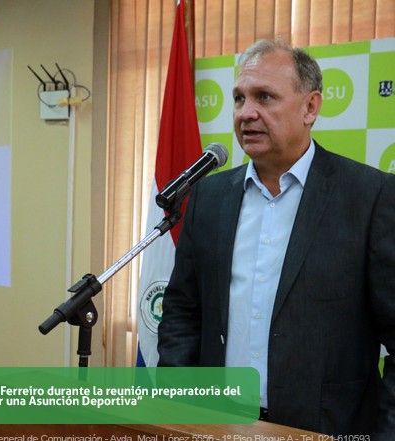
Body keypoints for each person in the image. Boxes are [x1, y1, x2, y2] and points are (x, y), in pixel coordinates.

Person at [157, 37, 395, 438]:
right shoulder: (208, 197)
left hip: (326, 428)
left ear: (310, 107)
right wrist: (180, 409)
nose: (246, 113)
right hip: (216, 424)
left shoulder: (369, 197)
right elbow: (183, 311)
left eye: (264, 97)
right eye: (239, 98)